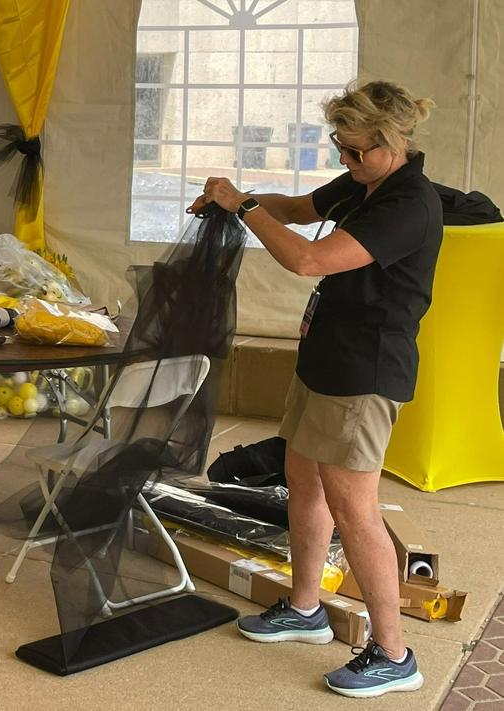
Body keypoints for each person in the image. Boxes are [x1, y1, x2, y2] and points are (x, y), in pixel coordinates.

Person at [188, 80, 441, 698]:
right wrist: (238, 199)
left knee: (356, 510)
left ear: (391, 142)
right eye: (339, 148)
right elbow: (299, 210)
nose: (345, 162)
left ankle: (394, 652)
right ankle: (305, 610)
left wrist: (244, 213)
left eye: (355, 151)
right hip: (325, 358)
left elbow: (309, 259)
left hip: (365, 372)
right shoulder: (364, 183)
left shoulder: (407, 204)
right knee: (301, 479)